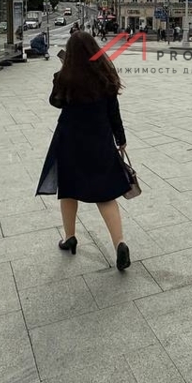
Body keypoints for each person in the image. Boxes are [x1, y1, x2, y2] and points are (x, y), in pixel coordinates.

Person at [36, 31, 132, 271]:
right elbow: (114, 113)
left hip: (70, 140)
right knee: (105, 195)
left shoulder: (66, 76)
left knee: (68, 189)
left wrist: (58, 77)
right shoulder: (105, 76)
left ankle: (70, 238)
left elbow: (55, 102)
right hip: (99, 140)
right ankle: (119, 243)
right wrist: (120, 139)